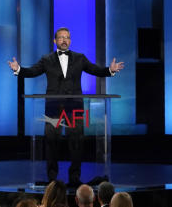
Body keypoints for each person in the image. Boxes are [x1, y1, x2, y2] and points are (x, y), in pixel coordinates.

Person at [9, 27, 125, 185]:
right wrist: (19, 69)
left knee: (76, 142)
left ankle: (74, 177)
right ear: (55, 41)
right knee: (51, 142)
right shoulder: (46, 59)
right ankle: (52, 178)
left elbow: (95, 70)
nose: (64, 40)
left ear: (70, 40)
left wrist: (109, 70)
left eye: (67, 37)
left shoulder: (80, 58)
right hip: (52, 108)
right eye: (61, 37)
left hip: (74, 107)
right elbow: (33, 71)